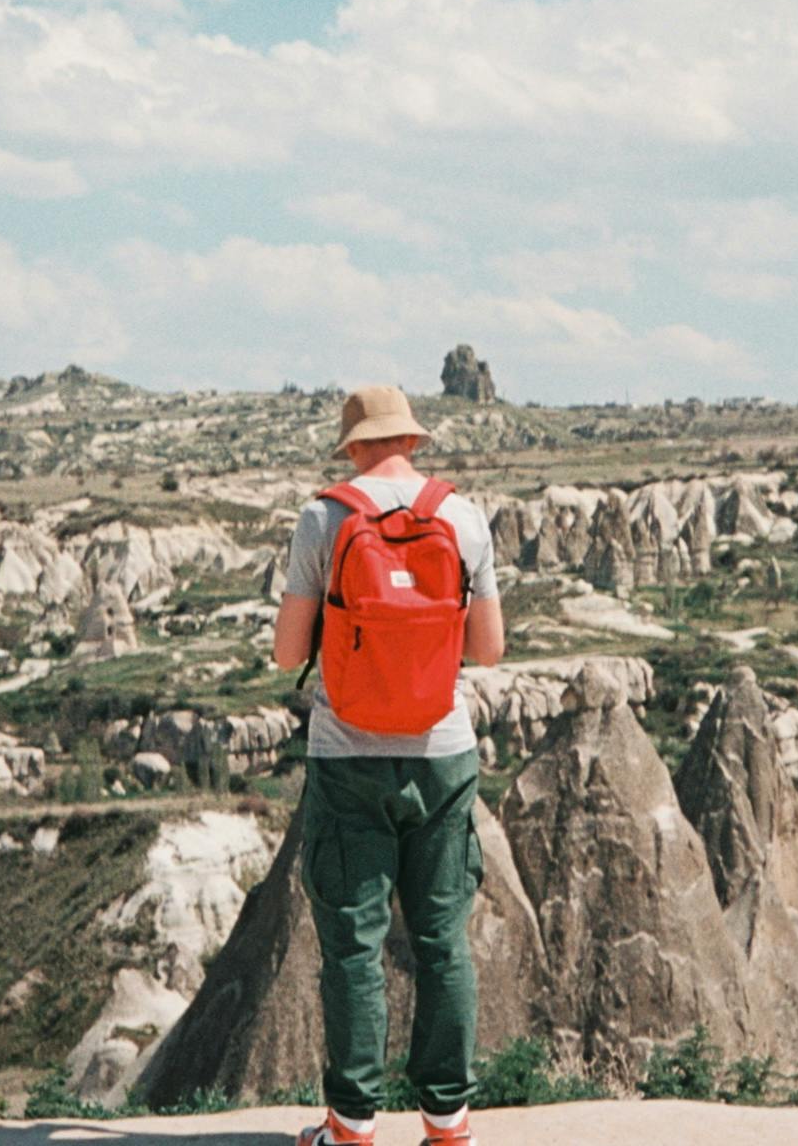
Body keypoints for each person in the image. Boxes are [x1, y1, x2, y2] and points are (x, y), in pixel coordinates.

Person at [272, 384, 506, 1146]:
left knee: (353, 944)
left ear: (353, 445)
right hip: (443, 755)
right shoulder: (461, 515)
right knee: (442, 939)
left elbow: (284, 653)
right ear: (410, 439)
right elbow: (488, 649)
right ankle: (447, 1125)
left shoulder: (325, 517)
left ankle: (351, 1128)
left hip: (348, 757)